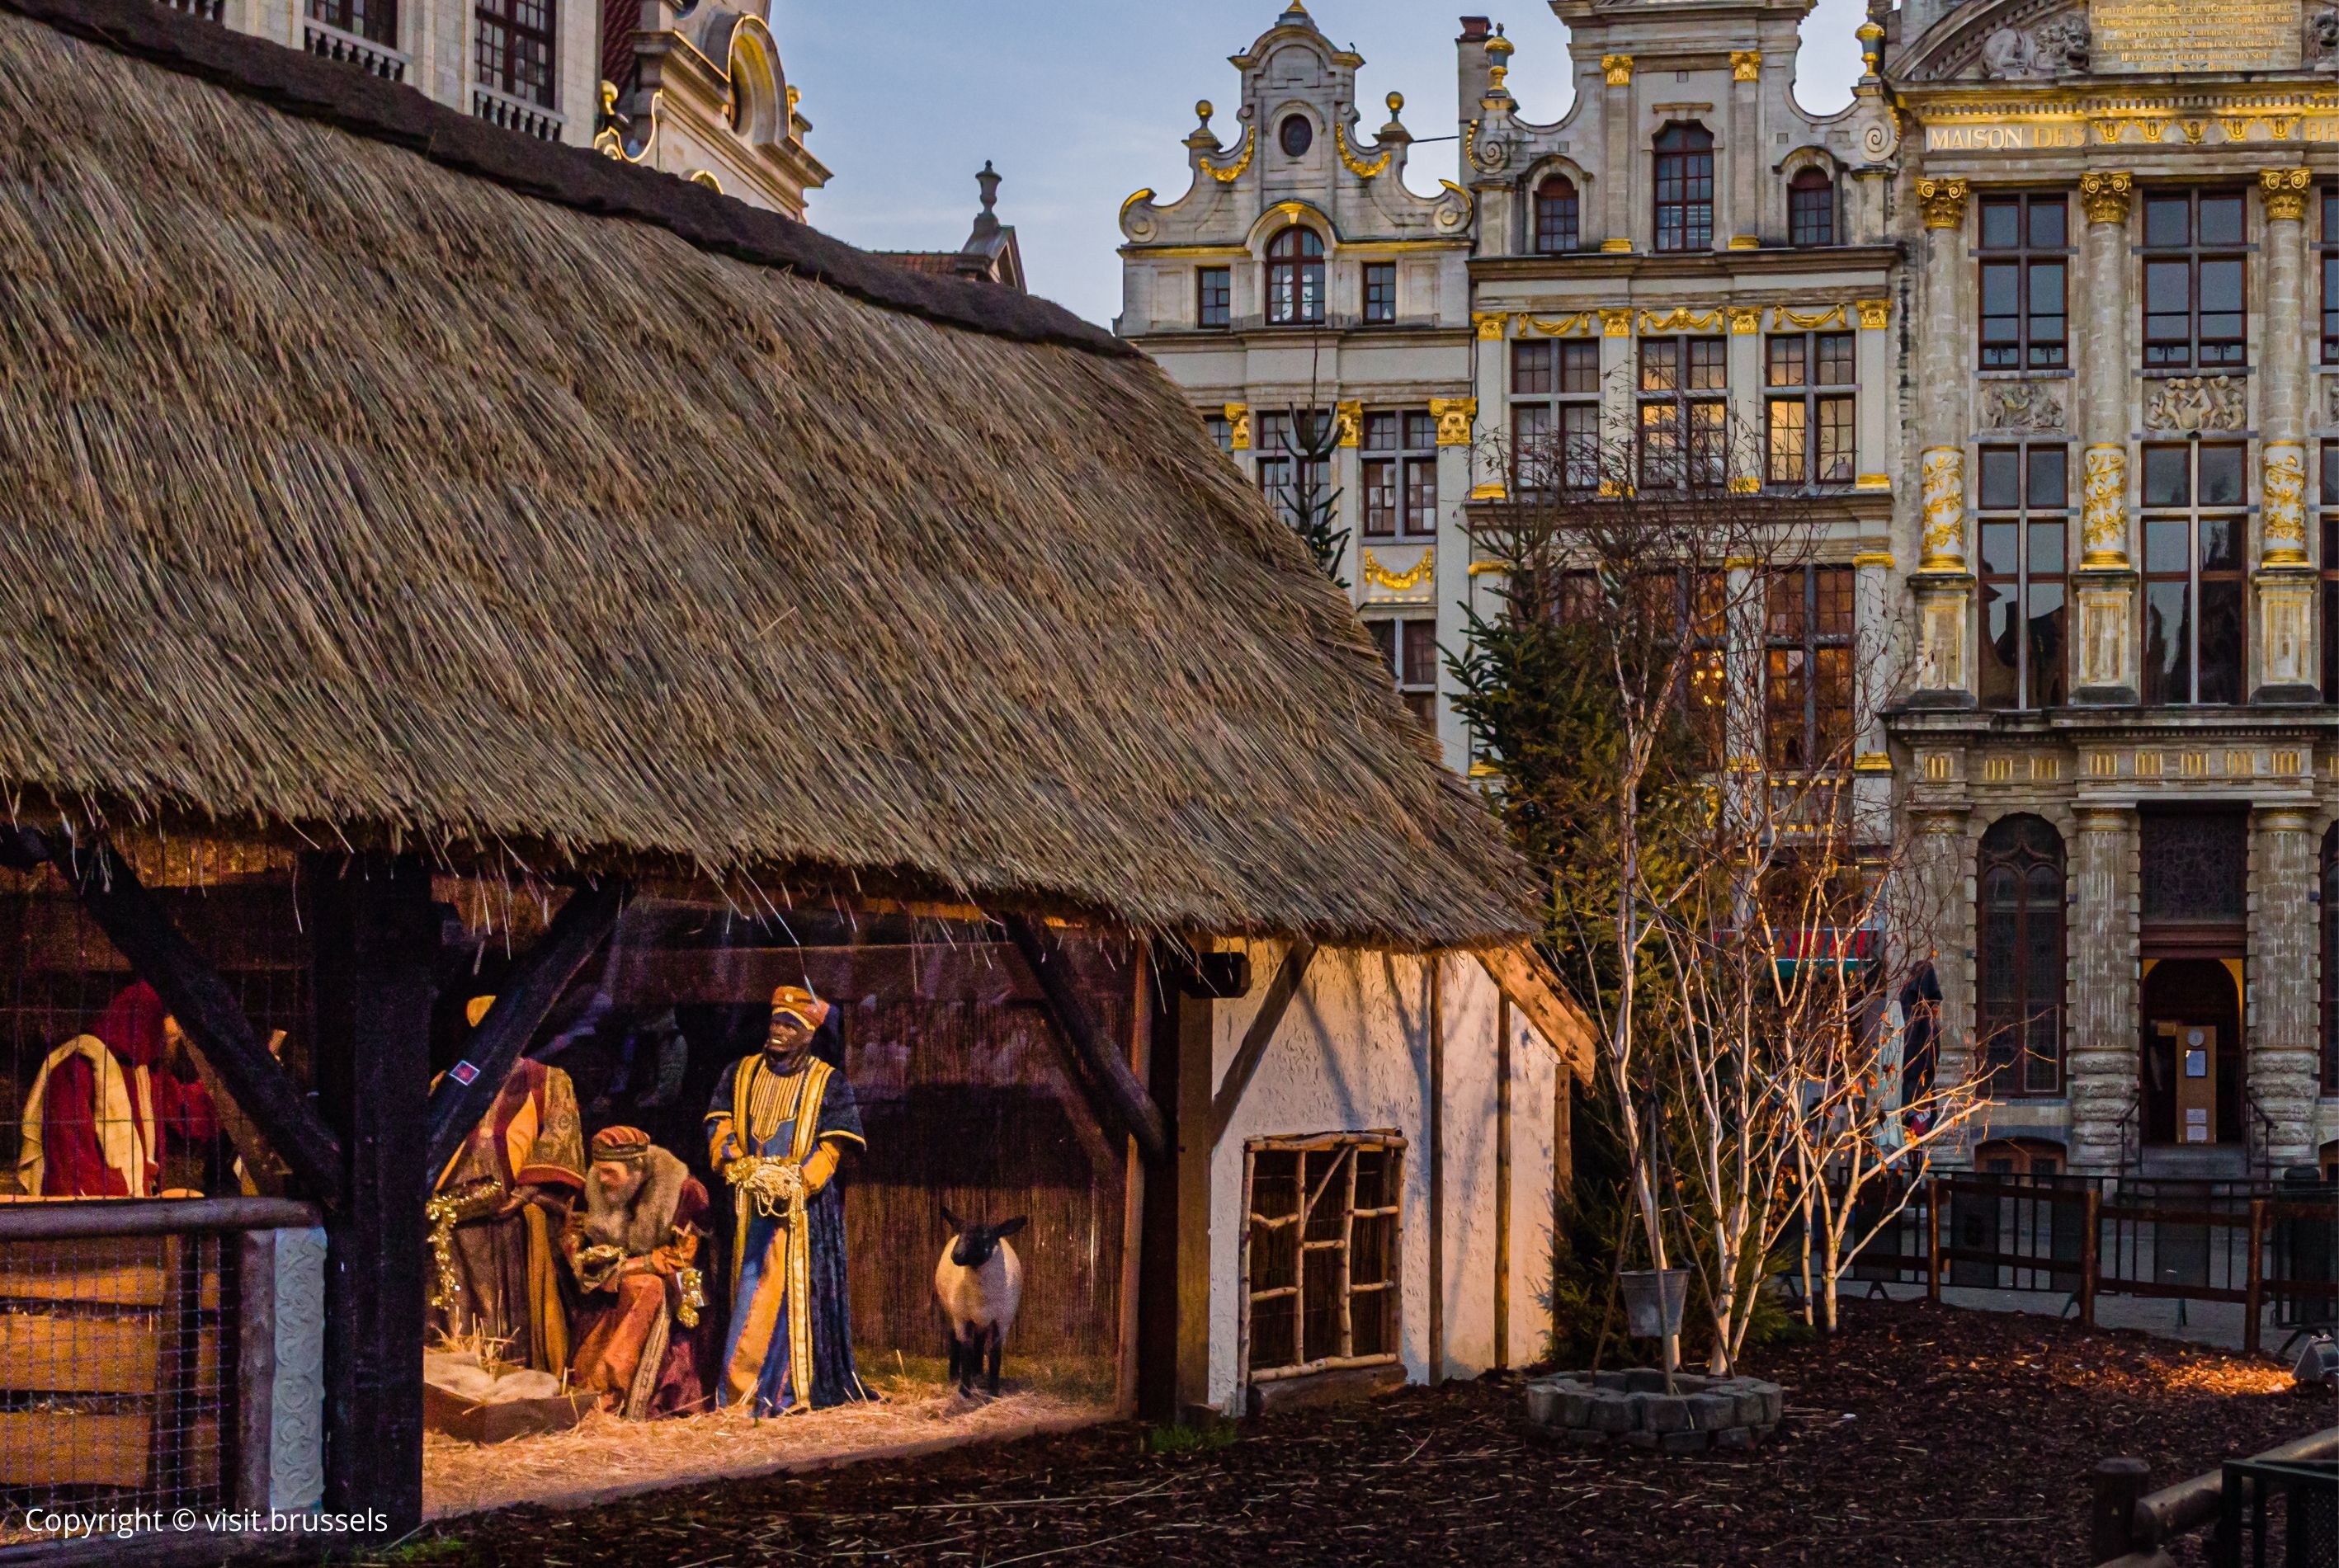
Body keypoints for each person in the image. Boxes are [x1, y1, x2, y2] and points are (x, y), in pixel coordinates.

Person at [706, 986, 869, 1415]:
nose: (778, 1031)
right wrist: (738, 1164)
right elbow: (719, 1123)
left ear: (810, 1033)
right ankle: (738, 1393)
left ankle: (788, 1393)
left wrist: (797, 1180)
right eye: (776, 1021)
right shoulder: (738, 1074)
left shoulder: (829, 1082)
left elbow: (834, 1145)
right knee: (748, 1293)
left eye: (790, 1025)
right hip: (747, 1210)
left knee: (794, 1301)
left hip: (803, 1217)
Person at [428, 994, 587, 1373]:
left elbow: (561, 1139)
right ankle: (452, 1360)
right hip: (450, 1194)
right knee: (450, 1276)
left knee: (493, 1287)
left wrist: (529, 1190)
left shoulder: (546, 1079)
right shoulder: (453, 1079)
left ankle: (500, 1361)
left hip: (506, 1198)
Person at [563, 1125, 710, 1418]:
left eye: (611, 1173)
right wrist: (582, 1256)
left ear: (637, 1169)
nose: (603, 1179)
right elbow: (572, 1231)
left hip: (680, 1279)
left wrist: (630, 1267)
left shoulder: (683, 1191)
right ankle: (588, 1385)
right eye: (599, 1170)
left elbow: (684, 1255)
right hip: (613, 1278)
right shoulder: (594, 1185)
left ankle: (614, 1387)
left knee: (644, 1287)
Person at [16, 981, 216, 1197]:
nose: (173, 1038)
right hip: (98, 1209)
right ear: (145, 1019)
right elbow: (70, 1164)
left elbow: (186, 1111)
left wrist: (222, 1091)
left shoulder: (143, 1069)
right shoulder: (79, 1069)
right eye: (169, 1028)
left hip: (138, 1201)